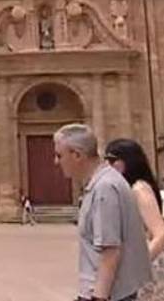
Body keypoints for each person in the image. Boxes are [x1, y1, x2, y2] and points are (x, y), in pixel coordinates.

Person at [53, 124, 151, 301]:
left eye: (60, 155)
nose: (56, 161)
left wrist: (99, 297)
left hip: (107, 294)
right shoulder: (106, 182)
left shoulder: (104, 188)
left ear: (77, 154)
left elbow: (110, 252)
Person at [105, 139, 164, 301]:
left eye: (111, 160)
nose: (107, 165)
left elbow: (160, 234)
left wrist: (136, 267)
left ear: (126, 161)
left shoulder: (139, 189)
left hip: (147, 266)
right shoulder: (126, 189)